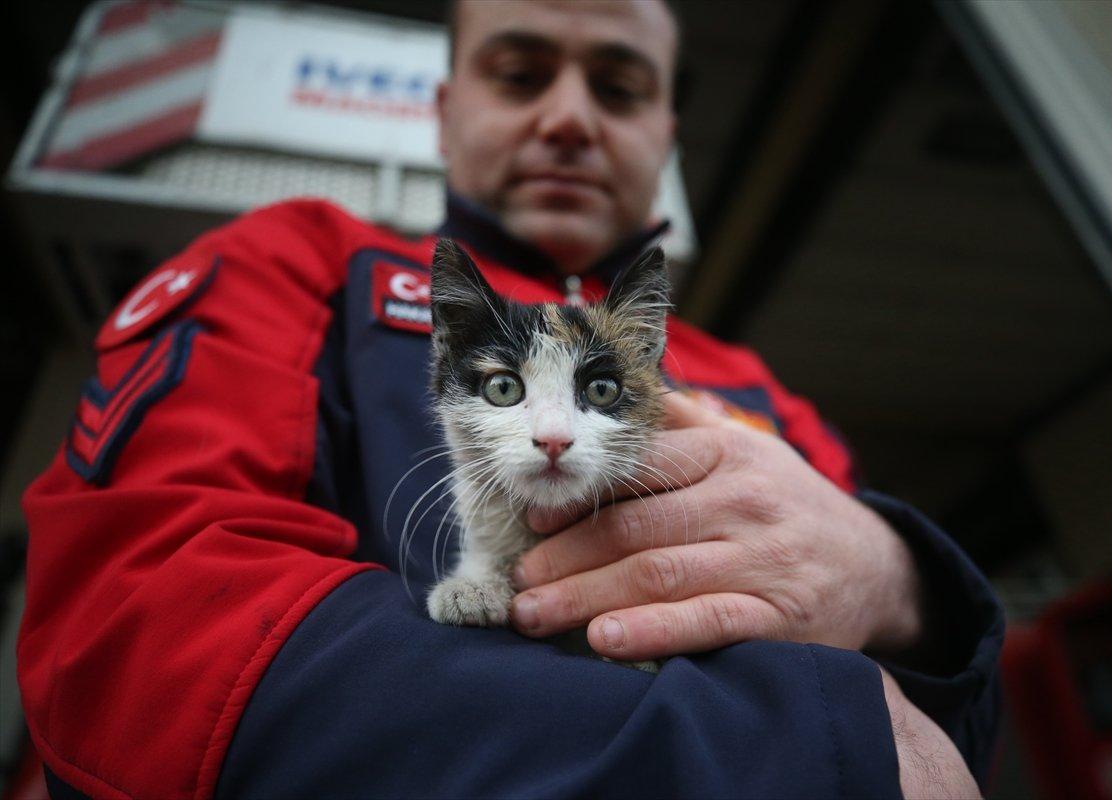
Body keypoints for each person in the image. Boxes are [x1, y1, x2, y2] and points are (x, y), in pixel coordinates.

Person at [19, 1, 1002, 797]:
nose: (569, 118)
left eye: (619, 87)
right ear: (446, 111)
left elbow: (944, 733)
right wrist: (792, 758)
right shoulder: (298, 264)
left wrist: (899, 578)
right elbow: (147, 621)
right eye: (520, 73)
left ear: (665, 130)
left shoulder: (762, 389)